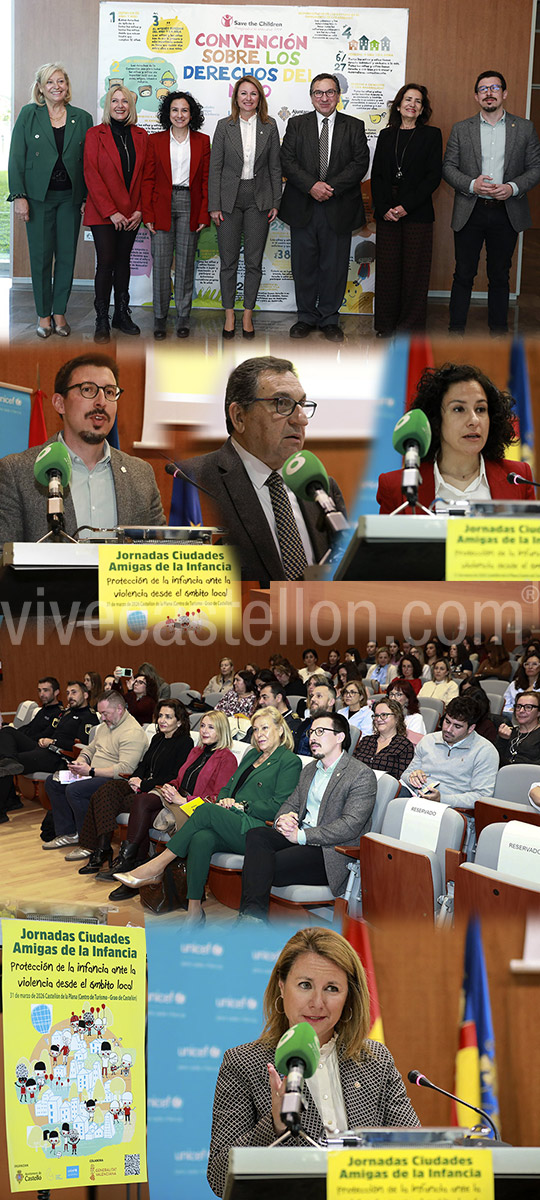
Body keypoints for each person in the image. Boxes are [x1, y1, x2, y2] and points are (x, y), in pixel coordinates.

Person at [207, 925, 419, 1196]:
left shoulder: (375, 1060)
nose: (317, 1002)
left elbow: (412, 1149)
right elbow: (218, 1177)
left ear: (348, 997)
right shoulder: (243, 1063)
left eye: (332, 988)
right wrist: (275, 1125)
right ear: (282, 987)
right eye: (305, 985)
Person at [113, 707, 303, 924]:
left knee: (204, 809)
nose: (259, 734)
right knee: (201, 838)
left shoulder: (289, 761)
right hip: (231, 817)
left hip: (256, 829)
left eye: (265, 728)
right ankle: (194, 911)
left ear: (280, 730)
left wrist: (242, 805)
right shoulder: (252, 755)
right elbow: (228, 786)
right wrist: (225, 800)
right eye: (256, 729)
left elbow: (279, 805)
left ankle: (157, 865)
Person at [178, 356, 347, 585]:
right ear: (239, 417)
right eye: (282, 404)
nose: (301, 420)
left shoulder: (320, 489)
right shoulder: (195, 482)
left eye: (303, 405)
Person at [0, 354, 165, 550]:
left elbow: (160, 552)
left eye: (110, 392)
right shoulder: (16, 471)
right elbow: (4, 556)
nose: (101, 402)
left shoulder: (141, 474)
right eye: (88, 390)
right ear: (59, 403)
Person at [238, 712, 376, 920]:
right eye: (311, 732)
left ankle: (250, 919)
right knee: (256, 835)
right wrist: (282, 818)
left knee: (263, 863)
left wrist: (301, 836)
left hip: (330, 851)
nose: (312, 737)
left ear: (340, 737)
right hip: (299, 837)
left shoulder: (360, 774)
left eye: (320, 732)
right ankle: (252, 919)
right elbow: (290, 803)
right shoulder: (310, 769)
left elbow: (350, 825)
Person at [442, 71, 540, 334]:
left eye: (494, 87)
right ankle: (456, 329)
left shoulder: (525, 128)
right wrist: (471, 184)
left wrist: (513, 187)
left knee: (500, 275)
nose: (489, 92)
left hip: (506, 212)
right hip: (470, 211)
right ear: (476, 96)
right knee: (463, 273)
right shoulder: (462, 129)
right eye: (483, 89)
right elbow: (448, 167)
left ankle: (498, 330)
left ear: (504, 93)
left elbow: (535, 168)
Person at [102, 710, 236, 899]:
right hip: (176, 798)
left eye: (211, 727)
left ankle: (137, 875)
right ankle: (131, 862)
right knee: (142, 800)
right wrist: (169, 786)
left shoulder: (227, 758)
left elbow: (217, 798)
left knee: (145, 813)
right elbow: (180, 778)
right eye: (203, 726)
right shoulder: (196, 751)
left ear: (221, 731)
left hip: (196, 809)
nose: (205, 731)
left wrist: (184, 800)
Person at [279, 73, 369, 342]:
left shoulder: (354, 125)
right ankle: (306, 317)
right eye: (319, 92)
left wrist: (328, 187)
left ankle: (330, 319)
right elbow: (287, 161)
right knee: (304, 266)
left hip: (338, 206)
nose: (325, 97)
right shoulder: (296, 124)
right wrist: (312, 186)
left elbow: (359, 163)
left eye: (330, 92)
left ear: (338, 95)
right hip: (303, 205)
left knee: (334, 267)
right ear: (311, 96)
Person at [377, 363, 535, 513]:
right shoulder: (395, 486)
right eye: (459, 409)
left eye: (480, 409)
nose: (474, 420)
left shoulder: (519, 478)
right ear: (436, 419)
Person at [8, 62, 92, 337]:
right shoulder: (29, 114)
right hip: (37, 198)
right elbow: (16, 157)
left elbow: (89, 163)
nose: (56, 86)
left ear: (67, 86)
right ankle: (43, 315)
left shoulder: (82, 117)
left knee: (66, 257)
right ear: (41, 88)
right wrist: (19, 196)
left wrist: (86, 197)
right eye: (50, 82)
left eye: (61, 81)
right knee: (41, 258)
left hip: (70, 198)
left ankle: (59, 312)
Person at [67, 698, 192, 874]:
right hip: (140, 784)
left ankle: (123, 857)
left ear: (179, 721)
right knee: (105, 791)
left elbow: (174, 776)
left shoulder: (185, 743)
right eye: (161, 716)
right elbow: (143, 764)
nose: (162, 720)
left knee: (112, 801)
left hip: (158, 791)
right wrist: (135, 778)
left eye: (169, 717)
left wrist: (143, 784)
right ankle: (102, 849)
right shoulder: (157, 738)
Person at [208, 76, 281, 339]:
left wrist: (275, 202)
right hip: (228, 201)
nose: (248, 98)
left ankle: (247, 314)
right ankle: (229, 314)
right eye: (243, 94)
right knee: (228, 262)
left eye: (253, 94)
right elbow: (215, 167)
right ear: (236, 98)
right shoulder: (223, 126)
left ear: (259, 98)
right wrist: (214, 205)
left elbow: (275, 167)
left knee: (253, 261)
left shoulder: (270, 126)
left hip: (258, 200)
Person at [371, 83, 442, 336]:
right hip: (387, 212)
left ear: (422, 109)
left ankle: (409, 326)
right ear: (399, 105)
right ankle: (386, 325)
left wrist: (405, 206)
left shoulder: (432, 135)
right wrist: (386, 207)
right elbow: (377, 175)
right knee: (388, 270)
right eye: (408, 99)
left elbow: (433, 177)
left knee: (415, 271)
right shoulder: (386, 135)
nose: (412, 104)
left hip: (417, 212)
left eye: (418, 101)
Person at [142, 90, 210, 340]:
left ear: (191, 114)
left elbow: (205, 181)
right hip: (161, 204)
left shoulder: (202, 141)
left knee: (184, 264)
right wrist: (147, 212)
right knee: (160, 264)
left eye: (184, 110)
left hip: (190, 203)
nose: (179, 115)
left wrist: (203, 214)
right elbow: (147, 179)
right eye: (174, 110)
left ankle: (183, 316)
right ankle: (160, 318)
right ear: (167, 113)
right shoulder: (155, 140)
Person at [84, 86, 148, 342]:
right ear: (107, 105)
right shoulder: (94, 134)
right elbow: (91, 174)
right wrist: (111, 212)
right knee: (106, 262)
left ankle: (122, 314)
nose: (120, 105)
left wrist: (139, 209)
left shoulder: (141, 135)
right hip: (103, 212)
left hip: (131, 212)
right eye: (114, 100)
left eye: (125, 101)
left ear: (131, 106)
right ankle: (102, 319)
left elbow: (146, 176)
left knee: (124, 261)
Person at [43, 690, 148, 848]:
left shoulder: (132, 732)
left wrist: (90, 771)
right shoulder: (106, 725)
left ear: (119, 709)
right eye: (101, 714)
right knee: (52, 782)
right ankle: (69, 833)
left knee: (75, 790)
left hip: (115, 780)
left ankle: (88, 840)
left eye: (106, 713)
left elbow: (125, 769)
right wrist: (80, 761)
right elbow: (90, 748)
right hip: (93, 773)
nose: (103, 718)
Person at [0, 680, 97, 822]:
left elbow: (81, 746)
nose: (70, 696)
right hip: (45, 749)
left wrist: (53, 742)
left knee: (7, 763)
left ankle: (4, 807)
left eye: (74, 692)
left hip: (59, 756)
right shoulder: (67, 713)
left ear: (86, 695)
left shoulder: (89, 717)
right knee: (7, 732)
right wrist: (45, 739)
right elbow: (50, 731)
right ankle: (10, 800)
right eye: (68, 693)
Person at [400, 695, 499, 808]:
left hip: (453, 810)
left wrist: (442, 799)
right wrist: (412, 777)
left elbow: (481, 796)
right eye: (447, 721)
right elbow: (405, 775)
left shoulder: (485, 751)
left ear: (471, 728)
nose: (448, 729)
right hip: (418, 800)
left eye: (457, 726)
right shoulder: (428, 740)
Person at [353, 697, 414, 780]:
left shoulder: (404, 746)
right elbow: (351, 767)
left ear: (397, 718)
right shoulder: (366, 741)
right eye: (376, 715)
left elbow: (400, 777)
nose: (378, 719)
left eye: (384, 715)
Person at [295, 682, 337, 756]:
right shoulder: (306, 722)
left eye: (319, 696)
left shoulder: (338, 724)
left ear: (331, 702)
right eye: (312, 696)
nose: (313, 699)